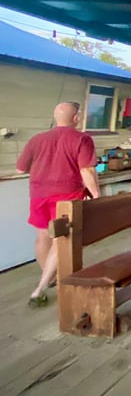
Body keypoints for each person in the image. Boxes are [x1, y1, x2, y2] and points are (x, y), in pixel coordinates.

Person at [15, 101, 100, 307]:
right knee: (61, 240)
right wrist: (97, 196)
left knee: (43, 236)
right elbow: (87, 171)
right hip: (67, 196)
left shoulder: (37, 139)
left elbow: (20, 169)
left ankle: (51, 277)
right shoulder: (82, 139)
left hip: (38, 194)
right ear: (76, 118)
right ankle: (41, 287)